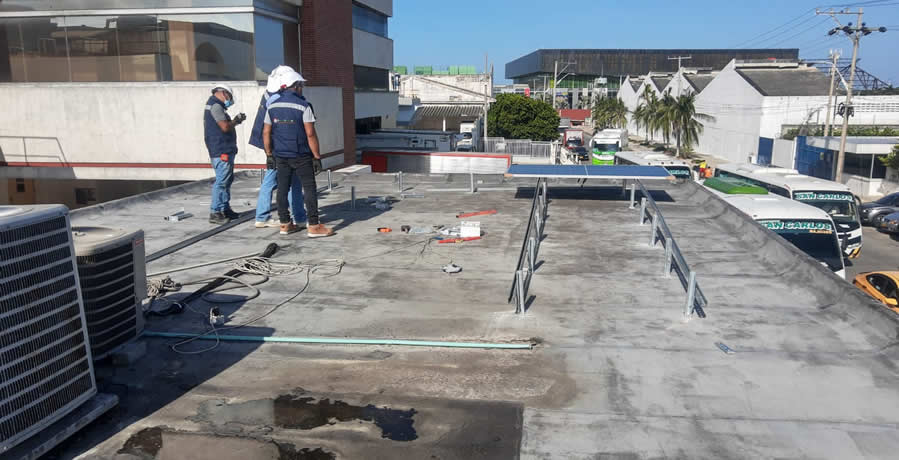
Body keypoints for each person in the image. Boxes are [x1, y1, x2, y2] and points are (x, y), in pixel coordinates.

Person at [263, 71, 333, 237]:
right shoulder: (304, 106)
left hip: (281, 155)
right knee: (309, 188)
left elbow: (266, 132)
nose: (302, 88)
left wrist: (269, 154)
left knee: (282, 189)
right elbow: (310, 133)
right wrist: (317, 157)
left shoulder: (271, 106)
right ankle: (314, 226)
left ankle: (285, 224)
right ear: (295, 86)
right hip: (301, 154)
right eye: (301, 85)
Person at [249, 66, 306, 228]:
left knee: (282, 180)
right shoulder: (276, 99)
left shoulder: (270, 96)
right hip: (279, 146)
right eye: (298, 84)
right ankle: (292, 216)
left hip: (274, 144)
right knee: (281, 180)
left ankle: (294, 215)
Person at [204, 84, 246, 224]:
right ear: (223, 93)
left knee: (226, 179)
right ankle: (216, 212)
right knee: (222, 181)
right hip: (221, 150)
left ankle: (224, 209)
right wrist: (236, 121)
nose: (229, 100)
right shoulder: (216, 106)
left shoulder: (214, 106)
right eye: (229, 96)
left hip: (221, 149)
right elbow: (225, 127)